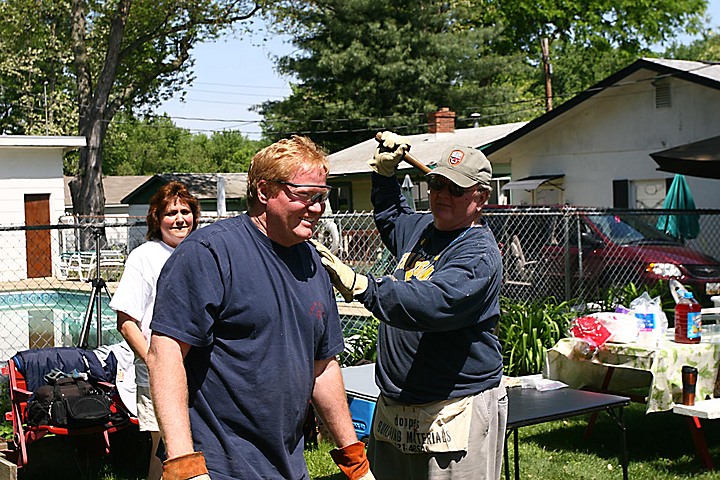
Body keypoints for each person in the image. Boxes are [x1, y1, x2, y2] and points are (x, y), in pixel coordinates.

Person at [146, 136, 374, 480]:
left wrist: (355, 460)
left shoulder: (312, 261)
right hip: (219, 467)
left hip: (288, 465)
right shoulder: (209, 253)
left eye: (321, 196)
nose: (317, 207)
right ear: (265, 191)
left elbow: (323, 365)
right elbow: (165, 354)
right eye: (305, 195)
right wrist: (183, 465)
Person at [313, 131, 508, 479]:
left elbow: (434, 303)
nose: (441, 195)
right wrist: (383, 175)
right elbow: (391, 216)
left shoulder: (478, 253)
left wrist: (362, 286)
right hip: (396, 405)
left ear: (480, 198)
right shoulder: (422, 228)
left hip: (452, 407)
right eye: (435, 185)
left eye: (455, 189)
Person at [110, 180, 200, 480]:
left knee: (198, 442)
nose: (179, 219)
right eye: (170, 213)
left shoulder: (202, 252)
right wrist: (152, 359)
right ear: (156, 219)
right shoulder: (144, 257)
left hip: (199, 370)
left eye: (185, 211)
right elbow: (125, 320)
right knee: (164, 446)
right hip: (159, 373)